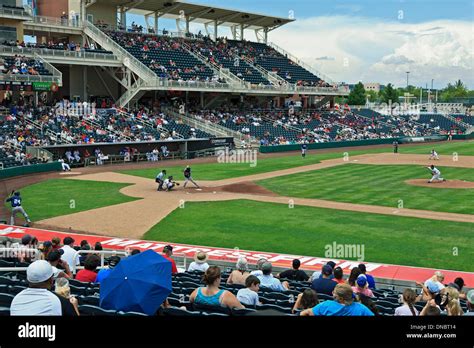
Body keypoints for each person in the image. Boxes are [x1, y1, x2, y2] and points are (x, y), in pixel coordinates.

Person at [10, 260, 75, 316]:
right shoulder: (61, 302)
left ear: (28, 280)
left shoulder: (16, 300)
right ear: (51, 280)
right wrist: (74, 306)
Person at [300, 283, 374, 316]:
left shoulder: (327, 305)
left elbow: (304, 313)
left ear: (341, 298)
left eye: (334, 293)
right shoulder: (361, 308)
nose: (333, 293)